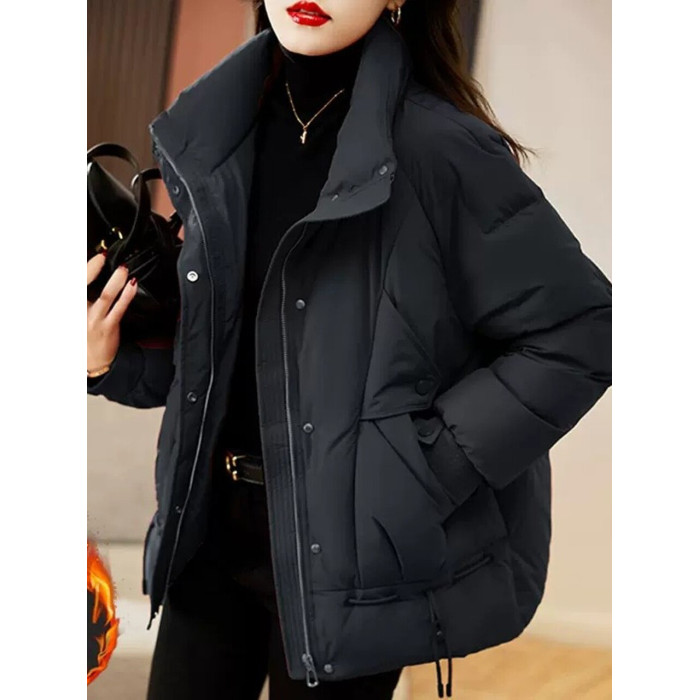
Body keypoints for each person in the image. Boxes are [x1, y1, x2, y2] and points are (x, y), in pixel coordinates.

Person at [87, 1, 613, 698]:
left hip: (352, 566)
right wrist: (106, 359)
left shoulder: (441, 148)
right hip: (207, 537)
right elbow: (223, 364)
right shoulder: (216, 132)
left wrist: (421, 471)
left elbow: (582, 329)